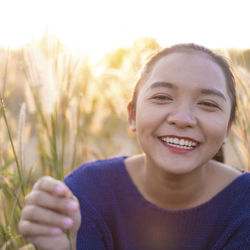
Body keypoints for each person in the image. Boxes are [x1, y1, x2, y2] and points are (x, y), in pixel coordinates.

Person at [18, 43, 250, 250]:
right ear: (132, 115)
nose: (182, 118)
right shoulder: (86, 194)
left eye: (208, 104)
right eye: (162, 97)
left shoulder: (245, 207)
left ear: (229, 128)